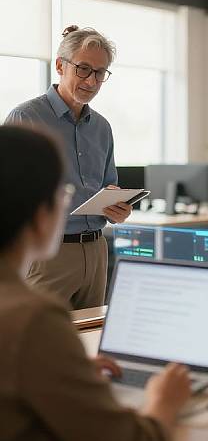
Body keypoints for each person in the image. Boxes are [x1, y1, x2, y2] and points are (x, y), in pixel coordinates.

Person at [0, 125, 191, 441]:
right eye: (63, 193)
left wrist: (64, 368)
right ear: (41, 212)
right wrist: (164, 399)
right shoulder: (34, 319)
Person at [6, 25, 131, 309]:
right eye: (83, 69)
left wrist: (118, 208)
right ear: (61, 66)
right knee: (38, 343)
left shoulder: (102, 127)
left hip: (97, 250)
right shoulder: (26, 118)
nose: (91, 80)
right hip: (48, 255)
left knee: (89, 339)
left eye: (100, 73)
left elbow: (108, 185)